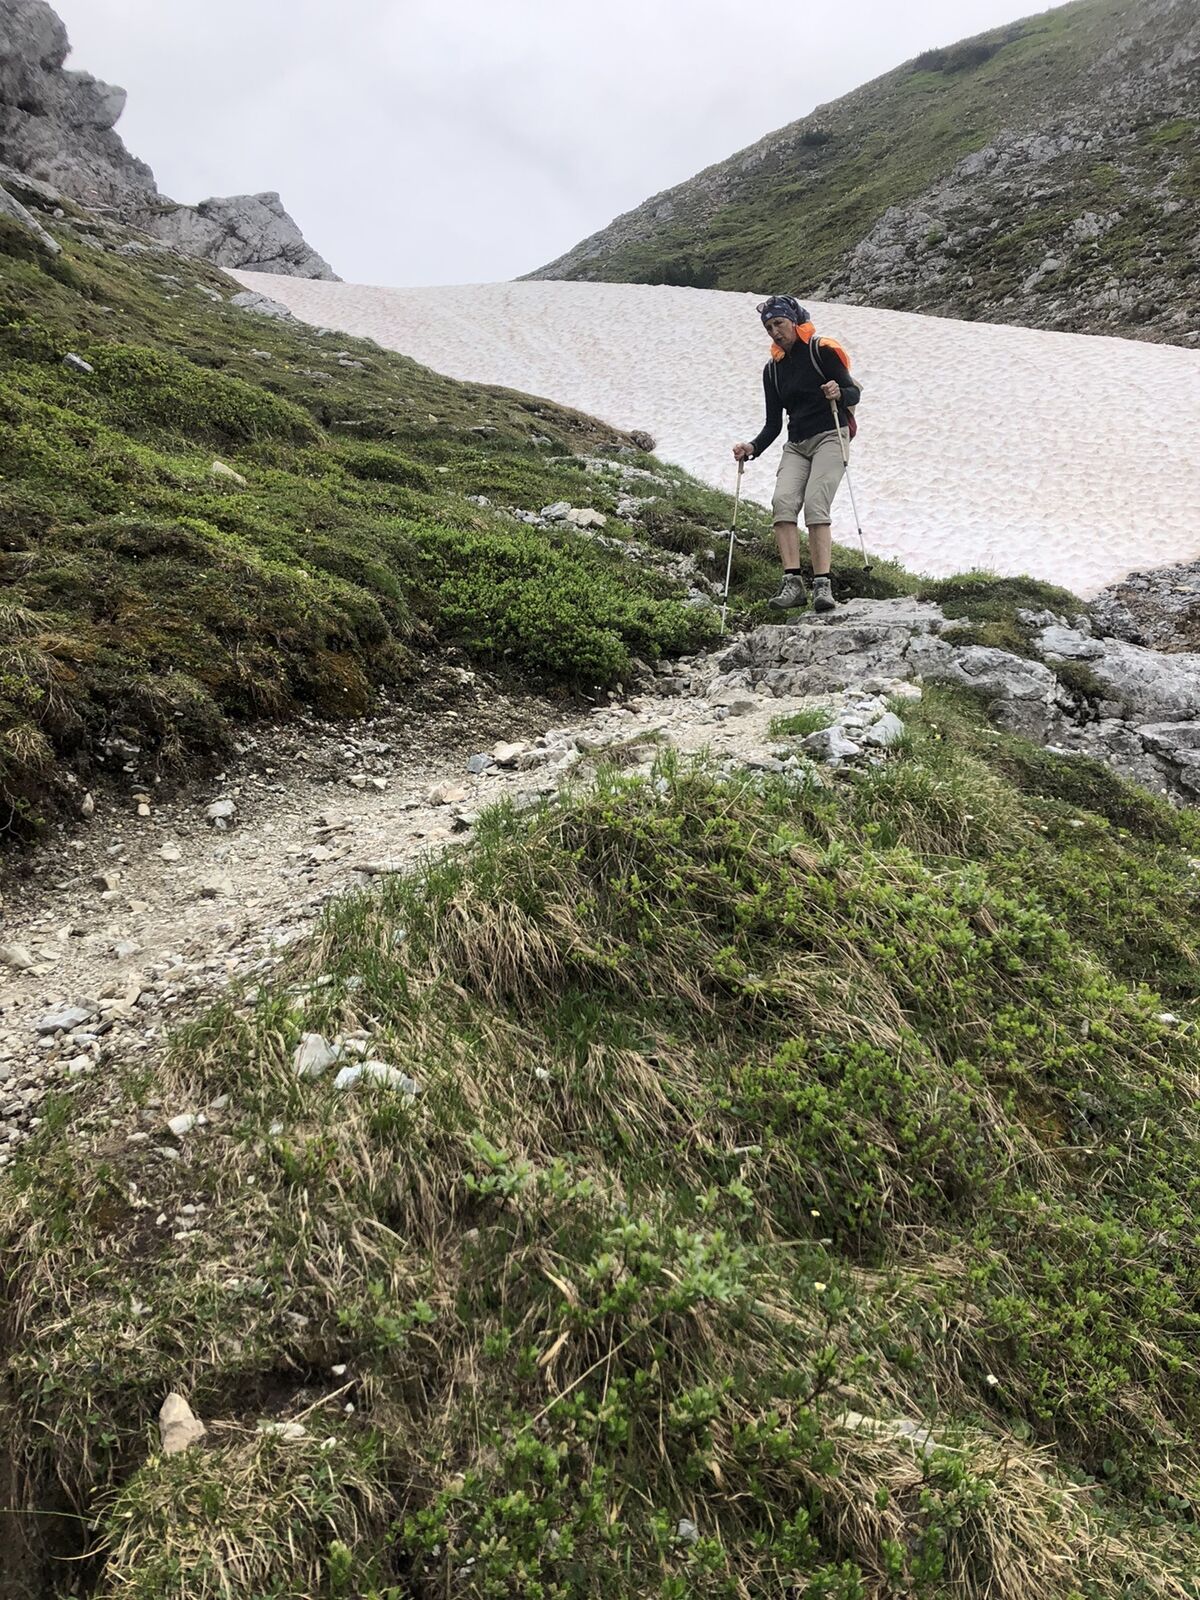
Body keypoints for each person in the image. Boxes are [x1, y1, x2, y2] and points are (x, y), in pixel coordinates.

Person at [732, 295, 860, 614]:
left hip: (831, 435)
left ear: (793, 321)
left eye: (779, 323)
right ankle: (793, 584)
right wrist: (752, 447)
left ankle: (822, 586)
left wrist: (839, 392)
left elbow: (854, 392)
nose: (775, 332)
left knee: (816, 503)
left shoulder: (821, 351)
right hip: (797, 444)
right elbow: (773, 424)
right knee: (782, 502)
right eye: (768, 327)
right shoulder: (772, 371)